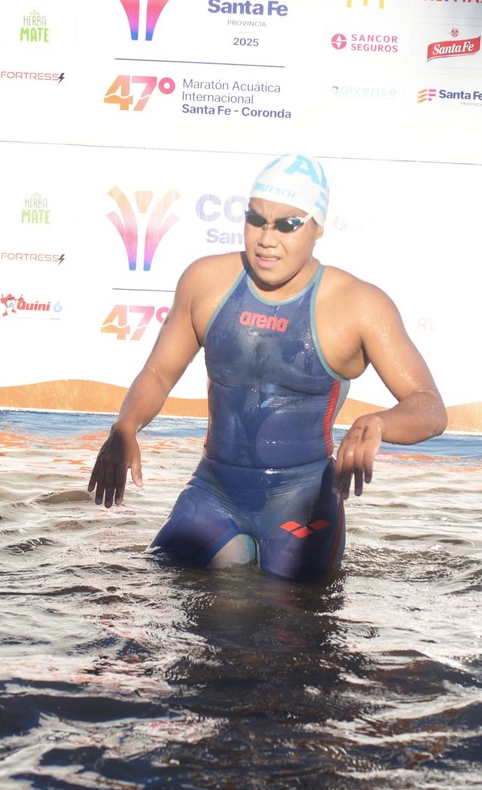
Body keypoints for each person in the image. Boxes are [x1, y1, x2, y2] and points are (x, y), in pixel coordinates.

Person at [87, 154, 445, 582]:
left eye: (287, 225)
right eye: (256, 220)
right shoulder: (205, 282)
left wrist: (378, 423)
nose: (266, 239)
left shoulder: (358, 305)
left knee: (290, 616)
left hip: (302, 499)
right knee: (157, 585)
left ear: (317, 228)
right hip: (214, 490)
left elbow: (429, 406)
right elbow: (159, 374)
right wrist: (125, 426)